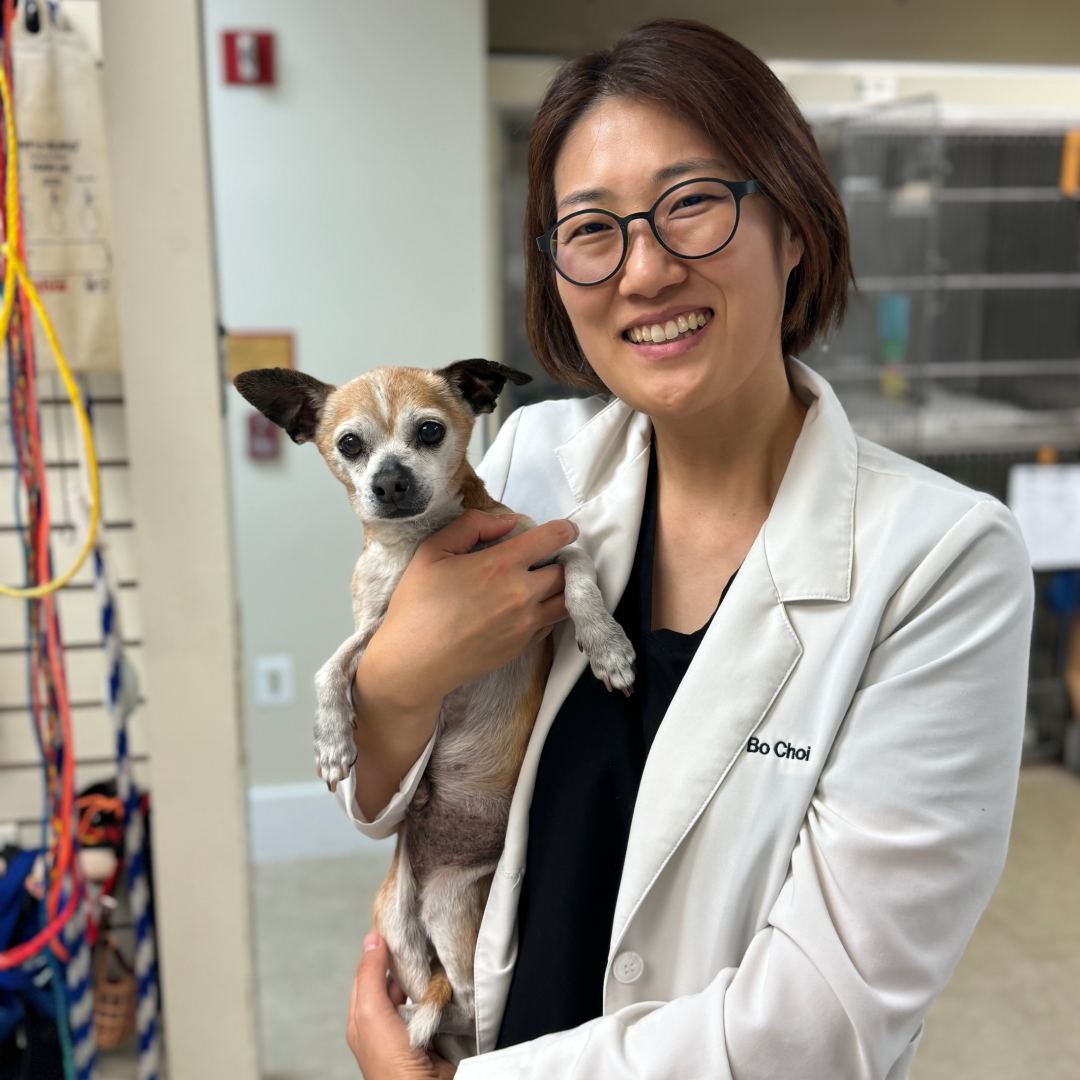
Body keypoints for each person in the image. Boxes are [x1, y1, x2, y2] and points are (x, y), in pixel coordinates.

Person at [340, 18, 1034, 1079]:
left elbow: (823, 1023)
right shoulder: (528, 462)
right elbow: (394, 786)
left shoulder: (942, 565)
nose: (646, 269)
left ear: (793, 226)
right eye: (591, 229)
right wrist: (394, 677)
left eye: (693, 204)